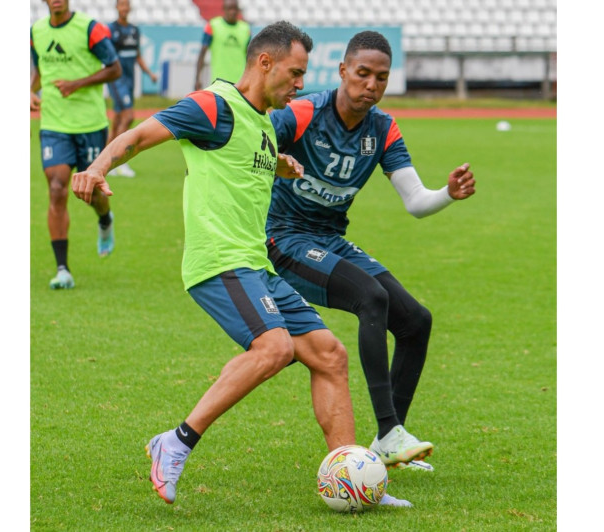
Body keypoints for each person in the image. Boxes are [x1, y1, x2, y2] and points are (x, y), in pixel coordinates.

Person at [72, 21, 412, 508]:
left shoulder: (262, 121)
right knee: (273, 347)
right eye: (295, 73)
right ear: (264, 63)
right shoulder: (213, 105)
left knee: (329, 355)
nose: (300, 85)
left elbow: (244, 158)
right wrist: (98, 168)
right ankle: (177, 440)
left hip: (256, 265)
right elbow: (143, 135)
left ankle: (354, 478)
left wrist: (282, 163)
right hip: (219, 262)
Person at [266, 30, 477, 471]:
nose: (371, 85)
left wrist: (448, 194)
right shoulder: (303, 113)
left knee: (416, 321)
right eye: (362, 74)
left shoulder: (382, 128)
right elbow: (249, 145)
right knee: (371, 297)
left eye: (381, 77)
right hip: (284, 240)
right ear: (343, 71)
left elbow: (416, 201)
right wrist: (273, 162)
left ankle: (387, 440)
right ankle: (388, 428)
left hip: (329, 239)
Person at [31, 0, 122, 289]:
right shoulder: (36, 31)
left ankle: (105, 219)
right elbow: (41, 70)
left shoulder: (91, 29)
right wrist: (30, 90)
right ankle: (62, 270)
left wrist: (77, 83)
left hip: (90, 125)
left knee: (93, 194)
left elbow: (115, 69)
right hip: (54, 125)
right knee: (57, 189)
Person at [106, 0, 158, 178]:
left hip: (130, 80)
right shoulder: (111, 30)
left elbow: (138, 56)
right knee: (129, 117)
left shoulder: (134, 30)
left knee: (118, 120)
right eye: (121, 4)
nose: (124, 8)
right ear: (116, 7)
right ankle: (118, 160)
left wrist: (149, 73)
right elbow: (107, 55)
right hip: (117, 79)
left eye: (126, 5)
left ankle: (105, 160)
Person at [193, 0, 250, 91]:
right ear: (224, 9)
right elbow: (202, 53)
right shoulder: (212, 26)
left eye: (235, 9)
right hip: (218, 83)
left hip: (240, 83)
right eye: (230, 9)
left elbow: (250, 57)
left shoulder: (245, 29)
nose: (233, 12)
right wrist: (197, 79)